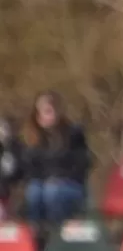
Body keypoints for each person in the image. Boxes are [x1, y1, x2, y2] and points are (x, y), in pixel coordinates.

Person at [20, 92, 90, 225]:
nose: (44, 116)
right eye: (41, 112)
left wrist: (58, 177)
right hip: (43, 184)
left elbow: (82, 165)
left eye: (48, 111)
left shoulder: (73, 135)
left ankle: (57, 230)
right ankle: (36, 232)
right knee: (33, 191)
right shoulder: (34, 139)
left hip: (71, 185)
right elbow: (30, 169)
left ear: (58, 112)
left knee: (53, 190)